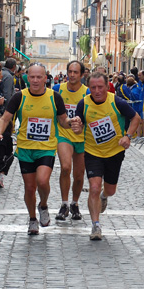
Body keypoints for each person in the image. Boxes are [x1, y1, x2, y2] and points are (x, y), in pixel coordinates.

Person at [0, 64, 80, 234]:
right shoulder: (19, 97)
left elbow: (62, 120)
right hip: (25, 148)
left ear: (45, 78)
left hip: (46, 148)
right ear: (27, 78)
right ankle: (32, 218)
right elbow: (4, 119)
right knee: (30, 188)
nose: (36, 80)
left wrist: (71, 123)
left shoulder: (54, 97)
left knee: (43, 181)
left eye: (39, 77)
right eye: (32, 77)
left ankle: (43, 204)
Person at [70, 72, 141, 240]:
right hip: (93, 152)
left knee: (110, 189)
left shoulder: (116, 101)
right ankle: (96, 225)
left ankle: (104, 197)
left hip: (114, 152)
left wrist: (128, 136)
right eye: (93, 87)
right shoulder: (83, 104)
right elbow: (79, 127)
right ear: (88, 88)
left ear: (106, 86)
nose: (97, 91)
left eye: (100, 87)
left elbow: (136, 118)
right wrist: (76, 127)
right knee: (94, 187)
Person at [52, 60, 88, 221]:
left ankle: (75, 203)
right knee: (66, 167)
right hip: (64, 134)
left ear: (82, 74)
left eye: (75, 72)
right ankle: (64, 204)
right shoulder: (57, 90)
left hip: (83, 137)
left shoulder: (88, 93)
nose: (72, 75)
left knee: (79, 175)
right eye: (70, 71)